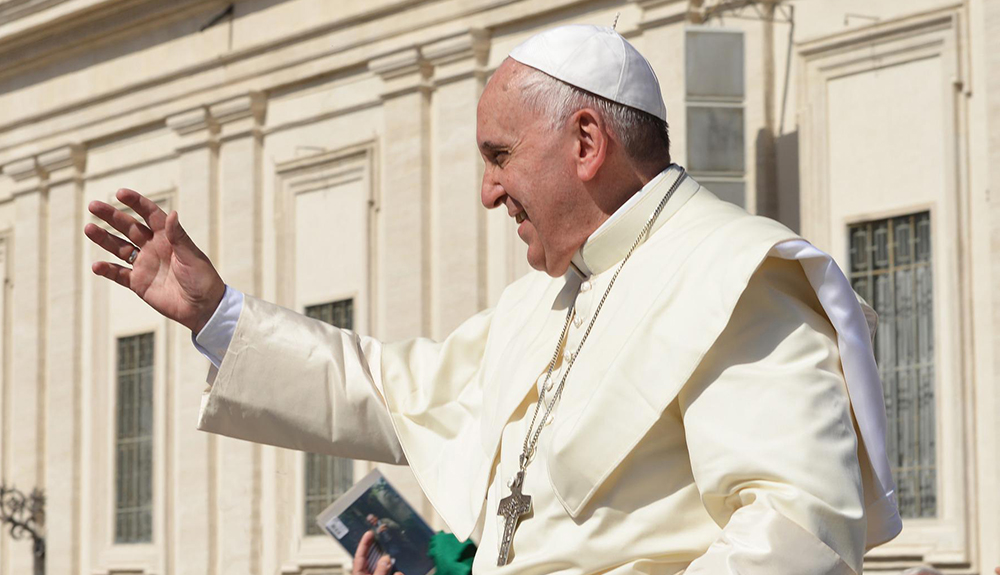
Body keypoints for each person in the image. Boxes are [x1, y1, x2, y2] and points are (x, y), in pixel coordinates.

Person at [84, 24, 901, 575]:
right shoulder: (538, 307)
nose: (487, 191)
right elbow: (390, 390)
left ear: (586, 143)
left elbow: (800, 534)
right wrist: (216, 313)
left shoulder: (738, 275)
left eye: (500, 155)